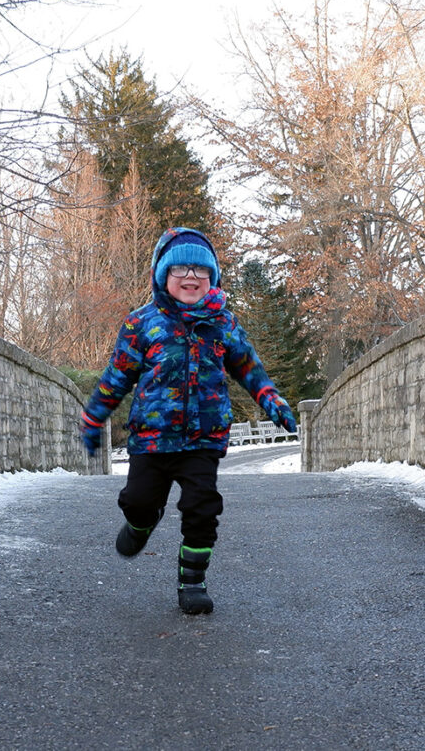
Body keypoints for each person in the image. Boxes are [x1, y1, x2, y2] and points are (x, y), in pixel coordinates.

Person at [79, 226, 297, 615]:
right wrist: (94, 417)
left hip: (203, 438)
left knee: (203, 507)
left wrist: (271, 399)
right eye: (181, 269)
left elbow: (249, 368)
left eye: (201, 270)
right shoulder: (141, 323)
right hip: (152, 438)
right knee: (138, 501)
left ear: (212, 277)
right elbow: (117, 377)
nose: (191, 277)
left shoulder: (223, 324)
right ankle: (143, 523)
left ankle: (192, 581)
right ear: (163, 275)